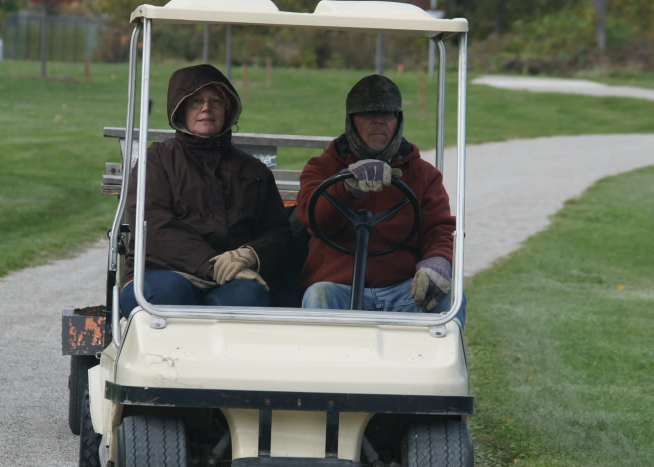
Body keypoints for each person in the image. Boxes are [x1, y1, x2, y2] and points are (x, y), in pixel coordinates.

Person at [119, 64, 290, 317]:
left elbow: (278, 232)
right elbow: (154, 226)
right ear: (180, 109)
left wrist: (249, 255)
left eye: (216, 101)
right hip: (162, 272)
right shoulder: (156, 161)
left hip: (231, 277)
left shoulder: (254, 171)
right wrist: (210, 265)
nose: (206, 108)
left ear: (228, 108)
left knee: (247, 296)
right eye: (196, 101)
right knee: (170, 293)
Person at [295, 74, 466, 328]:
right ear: (351, 121)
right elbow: (312, 216)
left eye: (387, 115)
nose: (378, 122)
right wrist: (346, 188)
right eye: (367, 114)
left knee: (451, 299)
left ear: (398, 121)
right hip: (337, 288)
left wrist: (438, 261)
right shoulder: (322, 168)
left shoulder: (423, 175)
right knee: (317, 295)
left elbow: (439, 229)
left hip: (402, 291)